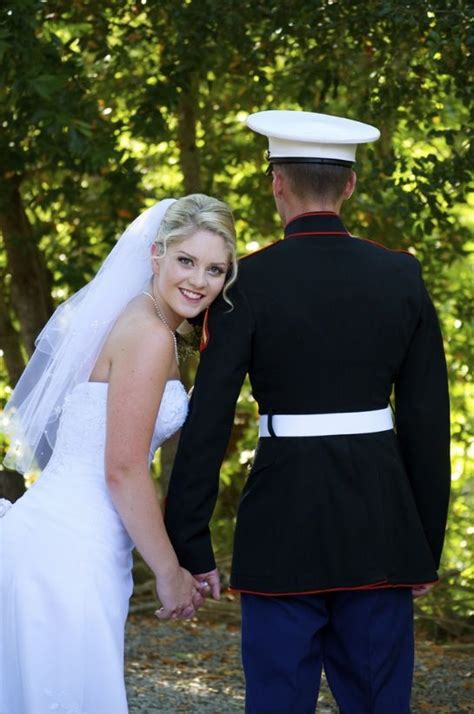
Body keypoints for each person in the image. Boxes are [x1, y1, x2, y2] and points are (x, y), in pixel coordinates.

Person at [164, 111, 451, 714]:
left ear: (276, 183)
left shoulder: (247, 282)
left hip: (281, 521)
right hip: (381, 524)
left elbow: (209, 417)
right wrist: (423, 541)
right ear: (348, 185)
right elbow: (426, 419)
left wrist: (190, 544)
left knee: (277, 699)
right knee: (378, 701)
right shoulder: (401, 274)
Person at [0, 194, 237, 714]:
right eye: (186, 261)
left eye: (215, 269)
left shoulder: (136, 319)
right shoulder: (150, 336)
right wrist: (170, 573)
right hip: (69, 551)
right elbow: (124, 469)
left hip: (66, 536)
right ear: (156, 254)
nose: (199, 280)